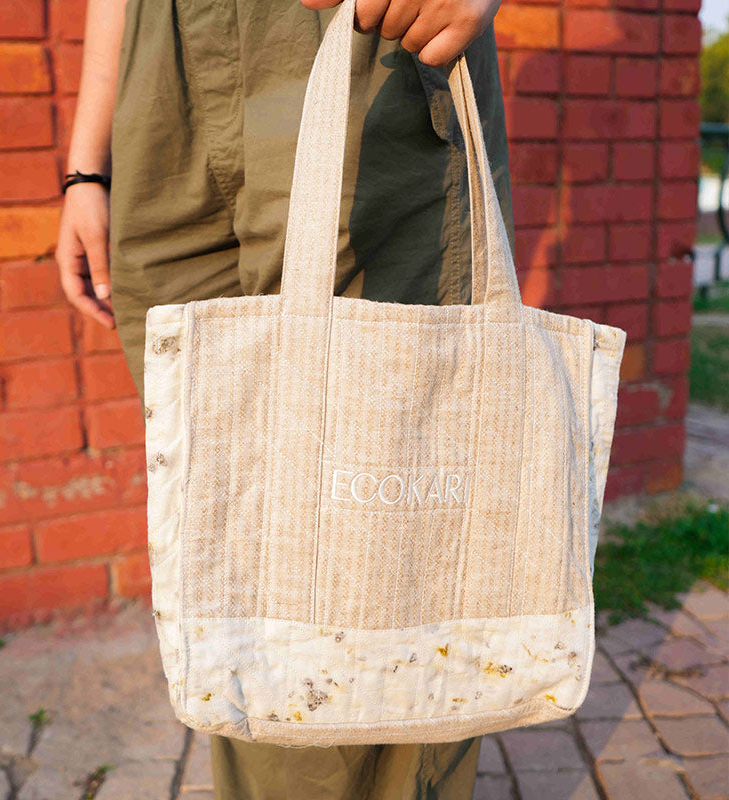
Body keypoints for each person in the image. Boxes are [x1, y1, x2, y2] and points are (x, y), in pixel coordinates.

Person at [56, 0, 514, 797]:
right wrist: (86, 163)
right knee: (233, 538)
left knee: (378, 552)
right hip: (160, 83)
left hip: (364, 41)